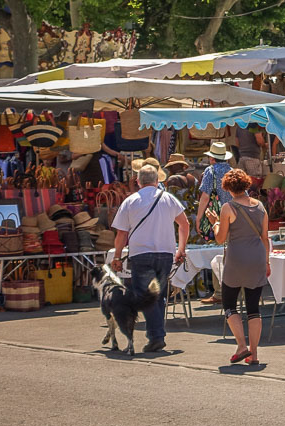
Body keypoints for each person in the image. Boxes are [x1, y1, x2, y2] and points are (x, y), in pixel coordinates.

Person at [110, 164, 191, 353]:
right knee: (158, 296)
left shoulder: (131, 201)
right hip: (165, 254)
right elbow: (184, 225)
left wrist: (116, 256)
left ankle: (156, 336)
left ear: (138, 182)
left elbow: (122, 234)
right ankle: (157, 335)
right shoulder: (169, 199)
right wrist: (181, 249)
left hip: (141, 255)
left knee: (147, 297)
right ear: (157, 181)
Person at [205, 168, 270, 365]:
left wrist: (214, 223)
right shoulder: (260, 206)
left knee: (230, 303)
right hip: (257, 258)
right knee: (253, 308)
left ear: (228, 188)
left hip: (236, 259)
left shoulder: (228, 208)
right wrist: (266, 262)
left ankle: (242, 345)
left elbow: (220, 238)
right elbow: (265, 238)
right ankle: (254, 354)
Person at [196, 141, 235, 304]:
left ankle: (219, 291)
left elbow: (205, 197)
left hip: (217, 216)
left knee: (218, 252)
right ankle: (230, 289)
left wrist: (198, 218)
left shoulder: (210, 171)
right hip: (234, 215)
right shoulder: (233, 171)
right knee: (231, 252)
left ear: (212, 158)